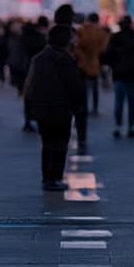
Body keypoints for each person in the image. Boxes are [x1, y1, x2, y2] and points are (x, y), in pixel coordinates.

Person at [24, 24, 86, 191]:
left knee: (47, 143)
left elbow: (29, 84)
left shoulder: (38, 58)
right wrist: (79, 105)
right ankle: (55, 178)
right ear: (65, 41)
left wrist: (30, 107)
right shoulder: (65, 60)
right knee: (60, 144)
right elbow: (75, 86)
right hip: (61, 108)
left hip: (42, 108)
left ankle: (47, 178)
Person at [103, 16, 134, 138]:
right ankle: (131, 127)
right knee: (131, 102)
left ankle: (118, 126)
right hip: (133, 75)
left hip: (119, 74)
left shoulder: (115, 38)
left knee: (119, 101)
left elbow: (108, 55)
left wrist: (113, 66)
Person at [74, 13, 109, 117]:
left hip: (81, 64)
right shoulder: (101, 33)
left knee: (83, 88)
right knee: (94, 88)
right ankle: (94, 108)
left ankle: (83, 107)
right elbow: (103, 49)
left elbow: (76, 46)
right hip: (94, 64)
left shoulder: (80, 31)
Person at [16, 19, 47, 132]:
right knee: (39, 97)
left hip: (24, 70)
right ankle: (37, 119)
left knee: (27, 97)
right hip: (37, 71)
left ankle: (27, 121)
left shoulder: (22, 38)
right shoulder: (39, 38)